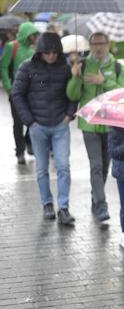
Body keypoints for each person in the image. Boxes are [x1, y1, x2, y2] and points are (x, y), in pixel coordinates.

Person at [10, 32, 77, 224]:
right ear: (40, 51)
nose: (51, 56)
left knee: (63, 167)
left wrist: (69, 115)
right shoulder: (27, 67)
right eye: (47, 52)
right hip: (37, 126)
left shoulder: (66, 68)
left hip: (60, 125)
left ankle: (63, 208)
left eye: (55, 52)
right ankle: (47, 204)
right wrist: (29, 121)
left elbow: (74, 93)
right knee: (41, 169)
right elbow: (17, 94)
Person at [66, 32, 124, 222]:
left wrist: (104, 81)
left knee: (105, 166)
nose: (98, 47)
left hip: (110, 125)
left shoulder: (118, 67)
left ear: (109, 44)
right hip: (89, 124)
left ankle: (95, 197)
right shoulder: (83, 65)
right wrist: (75, 77)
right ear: (90, 46)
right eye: (95, 44)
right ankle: (101, 205)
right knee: (96, 165)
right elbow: (72, 95)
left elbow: (123, 93)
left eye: (102, 43)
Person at [1, 22, 39, 164]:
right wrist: (9, 88)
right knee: (18, 123)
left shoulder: (34, 49)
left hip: (32, 93)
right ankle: (20, 152)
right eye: (33, 34)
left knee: (33, 119)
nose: (35, 37)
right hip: (16, 92)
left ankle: (28, 142)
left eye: (36, 34)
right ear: (27, 34)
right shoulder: (12, 47)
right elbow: (3, 67)